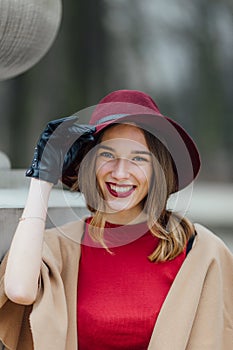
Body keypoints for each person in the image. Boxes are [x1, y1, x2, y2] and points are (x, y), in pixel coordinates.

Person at [0, 90, 232, 350]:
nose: (120, 173)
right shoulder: (61, 248)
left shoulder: (201, 253)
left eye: (138, 158)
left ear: (158, 169)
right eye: (107, 155)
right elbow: (19, 290)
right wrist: (42, 178)